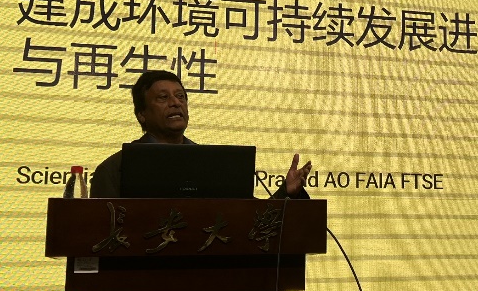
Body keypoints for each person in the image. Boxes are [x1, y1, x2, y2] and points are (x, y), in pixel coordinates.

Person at [89, 69, 312, 199]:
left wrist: (286, 192)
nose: (176, 103)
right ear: (141, 115)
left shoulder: (212, 164)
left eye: (180, 96)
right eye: (163, 98)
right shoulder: (115, 169)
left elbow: (248, 221)